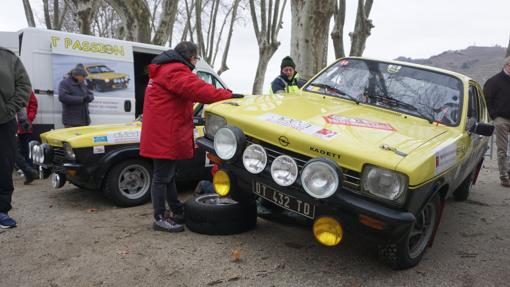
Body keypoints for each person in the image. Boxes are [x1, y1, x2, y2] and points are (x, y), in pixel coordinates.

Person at [140, 41, 240, 233]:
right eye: (195, 58)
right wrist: (227, 95)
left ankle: (176, 210)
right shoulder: (175, 71)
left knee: (167, 176)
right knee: (162, 177)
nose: (195, 62)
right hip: (165, 132)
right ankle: (159, 217)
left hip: (161, 131)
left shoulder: (165, 69)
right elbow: (199, 90)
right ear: (190, 57)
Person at [0, 47, 32, 229]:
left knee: (4, 166)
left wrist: (9, 109)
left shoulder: (8, 58)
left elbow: (24, 86)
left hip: (3, 122)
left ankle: (2, 210)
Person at [484, 56, 510, 187]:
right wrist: (494, 116)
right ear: (507, 65)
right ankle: (504, 177)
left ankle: (508, 171)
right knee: (502, 149)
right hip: (501, 119)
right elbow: (487, 99)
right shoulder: (494, 81)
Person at [16, 92, 39, 184]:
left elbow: (33, 104)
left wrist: (29, 118)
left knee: (27, 150)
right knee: (16, 152)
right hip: (12, 126)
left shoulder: (26, 90)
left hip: (25, 126)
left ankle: (31, 171)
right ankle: (29, 172)